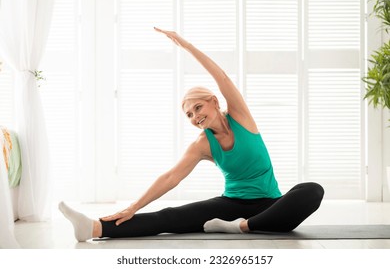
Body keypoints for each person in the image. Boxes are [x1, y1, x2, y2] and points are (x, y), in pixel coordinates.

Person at [59, 27, 324, 242]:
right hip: (229, 205)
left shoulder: (241, 117)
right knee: (169, 216)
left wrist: (185, 46)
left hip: (270, 204)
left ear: (213, 101)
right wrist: (133, 207)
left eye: (198, 108)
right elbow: (171, 177)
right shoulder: (202, 144)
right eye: (189, 115)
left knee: (312, 190)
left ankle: (242, 227)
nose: (195, 116)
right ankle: (94, 228)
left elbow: (220, 76)